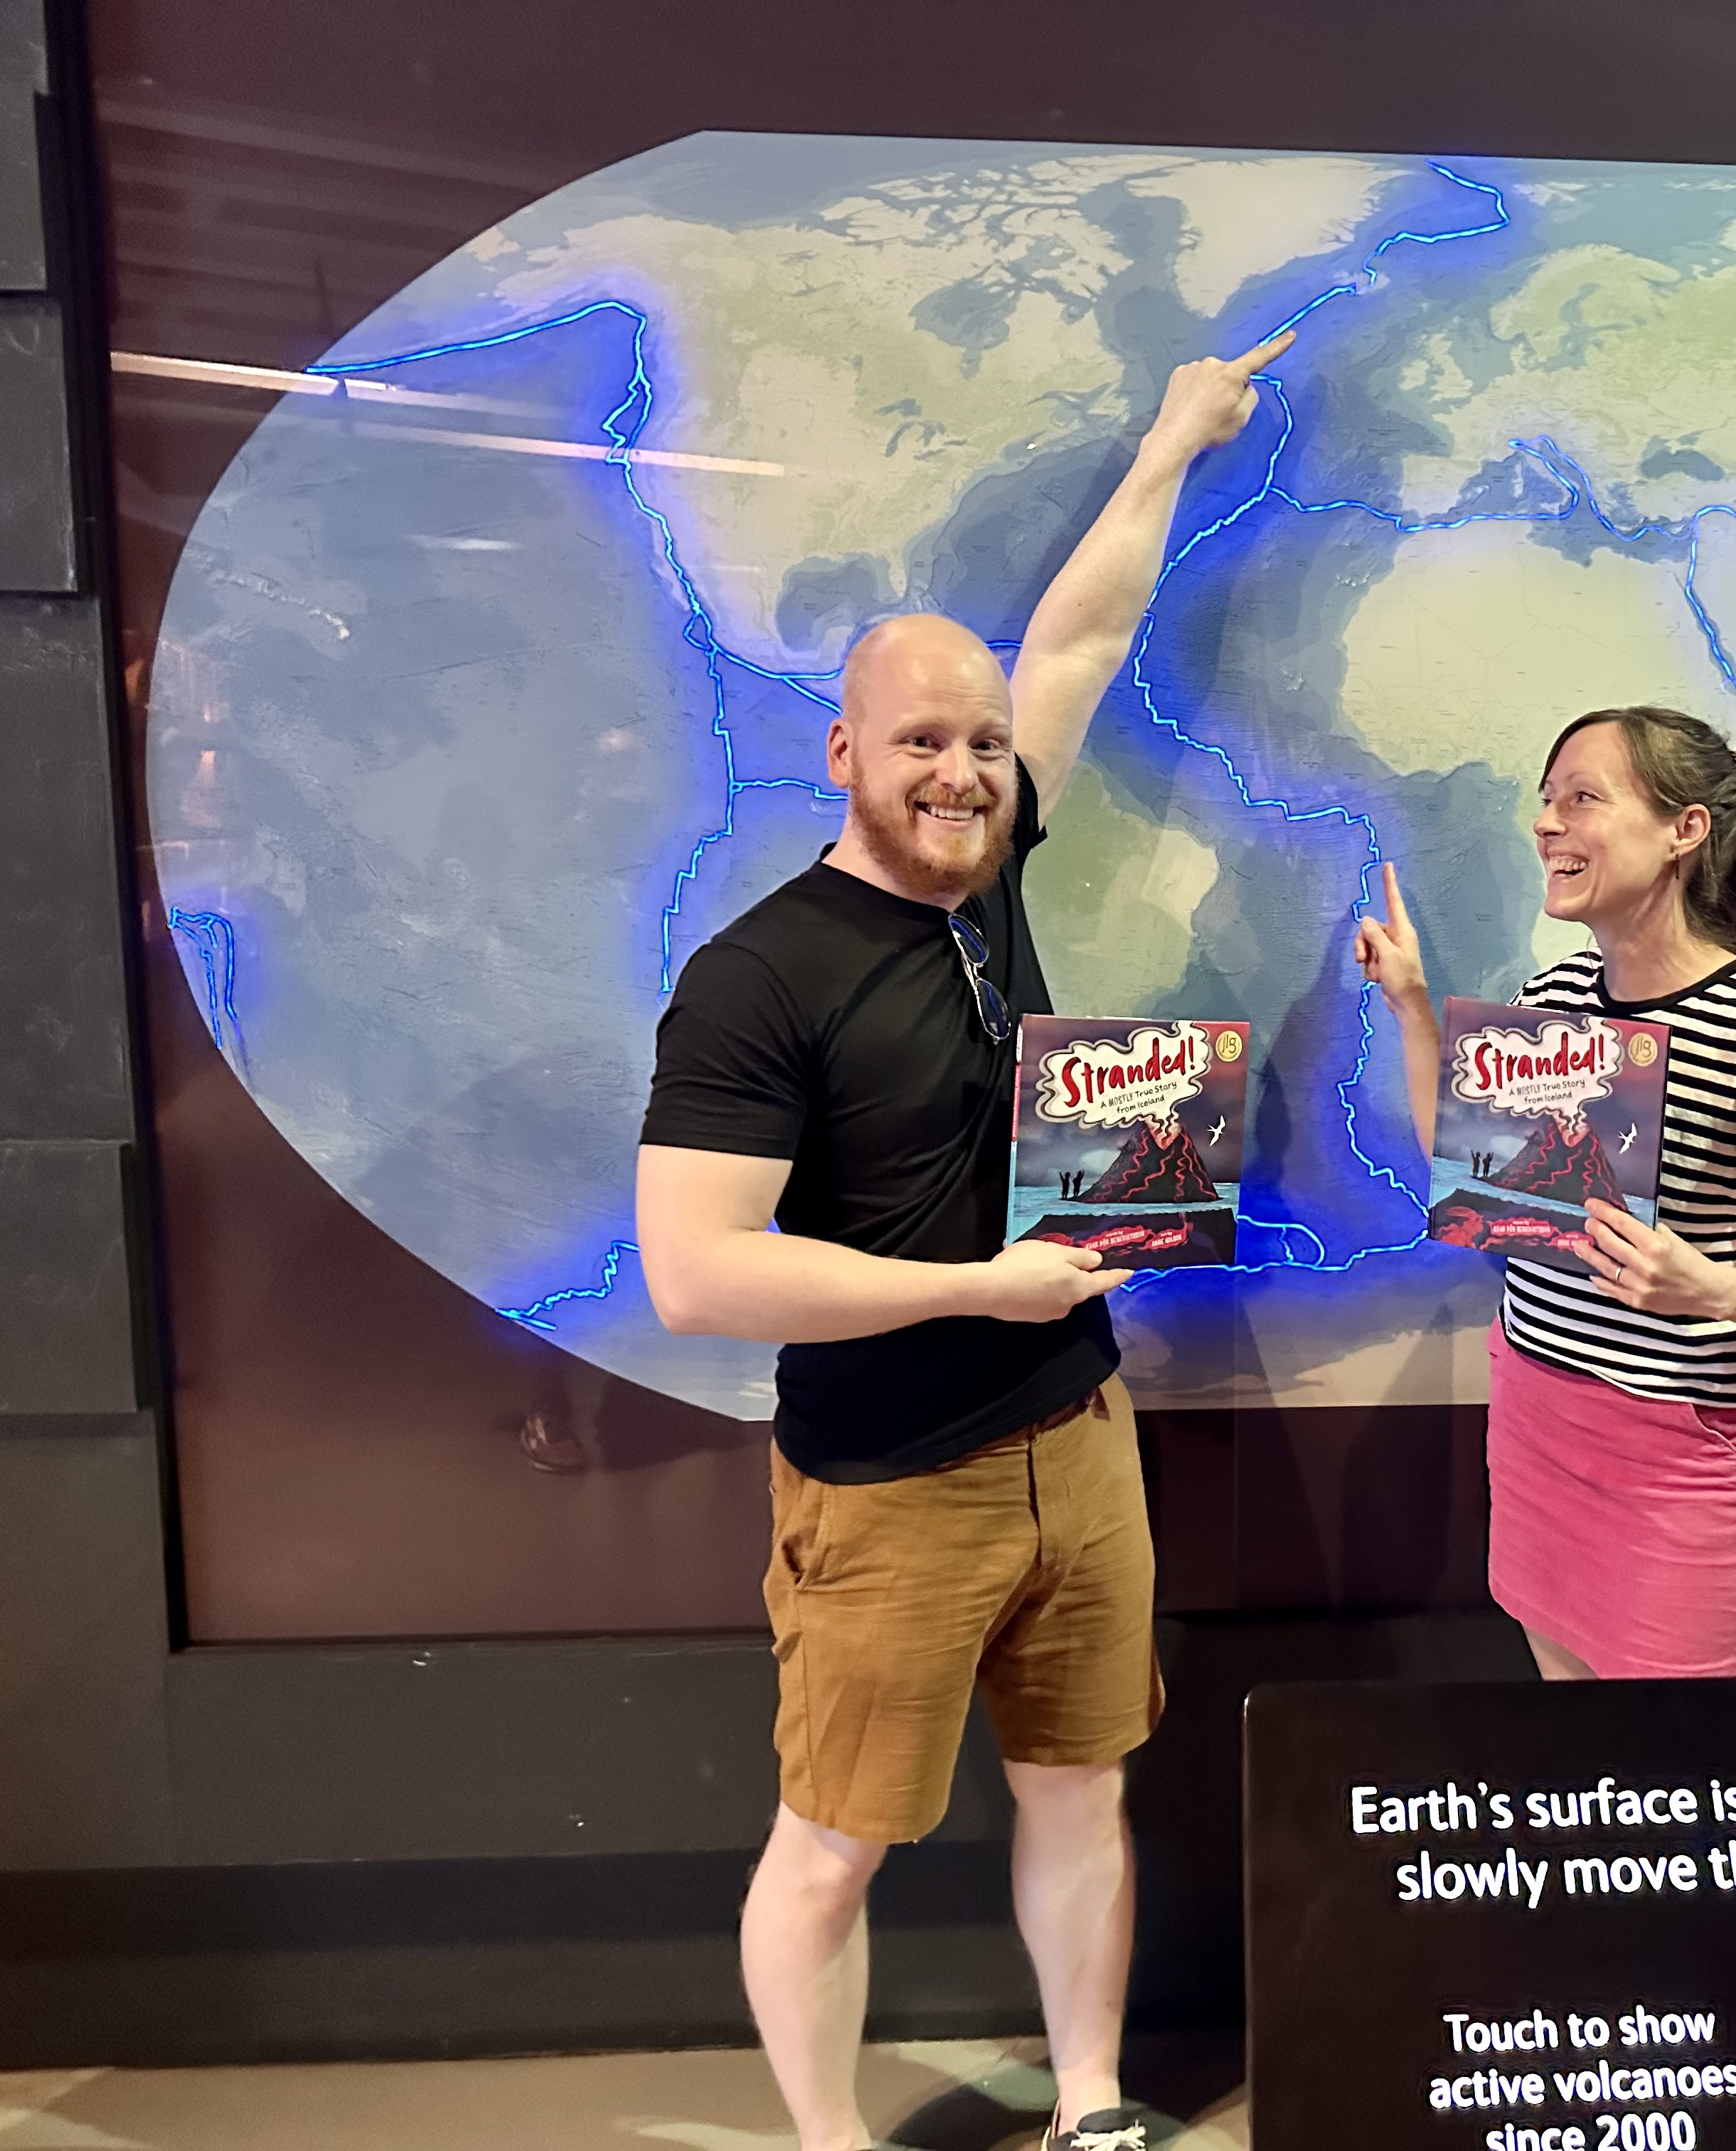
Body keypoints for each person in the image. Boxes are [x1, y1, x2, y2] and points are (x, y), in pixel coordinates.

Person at [635, 328, 1291, 2151]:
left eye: (985, 745)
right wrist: (978, 1286)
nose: (965, 770)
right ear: (846, 751)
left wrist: (1171, 442)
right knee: (831, 1851)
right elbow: (698, 1270)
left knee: (1085, 1792)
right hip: (888, 1486)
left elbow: (1077, 637)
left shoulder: (989, 883)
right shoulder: (755, 979)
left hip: (1081, 1445)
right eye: (924, 741)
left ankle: (1090, 2109)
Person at [1355, 703, 1736, 1681]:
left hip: (1679, 1462)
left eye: (1582, 798)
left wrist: (1712, 1288)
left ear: (1684, 829)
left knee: (1673, 1772)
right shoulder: (1556, 999)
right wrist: (1413, 1005)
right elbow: (1468, 1172)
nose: (1547, 823)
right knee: (1570, 1738)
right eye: (1547, 801)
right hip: (1538, 1417)